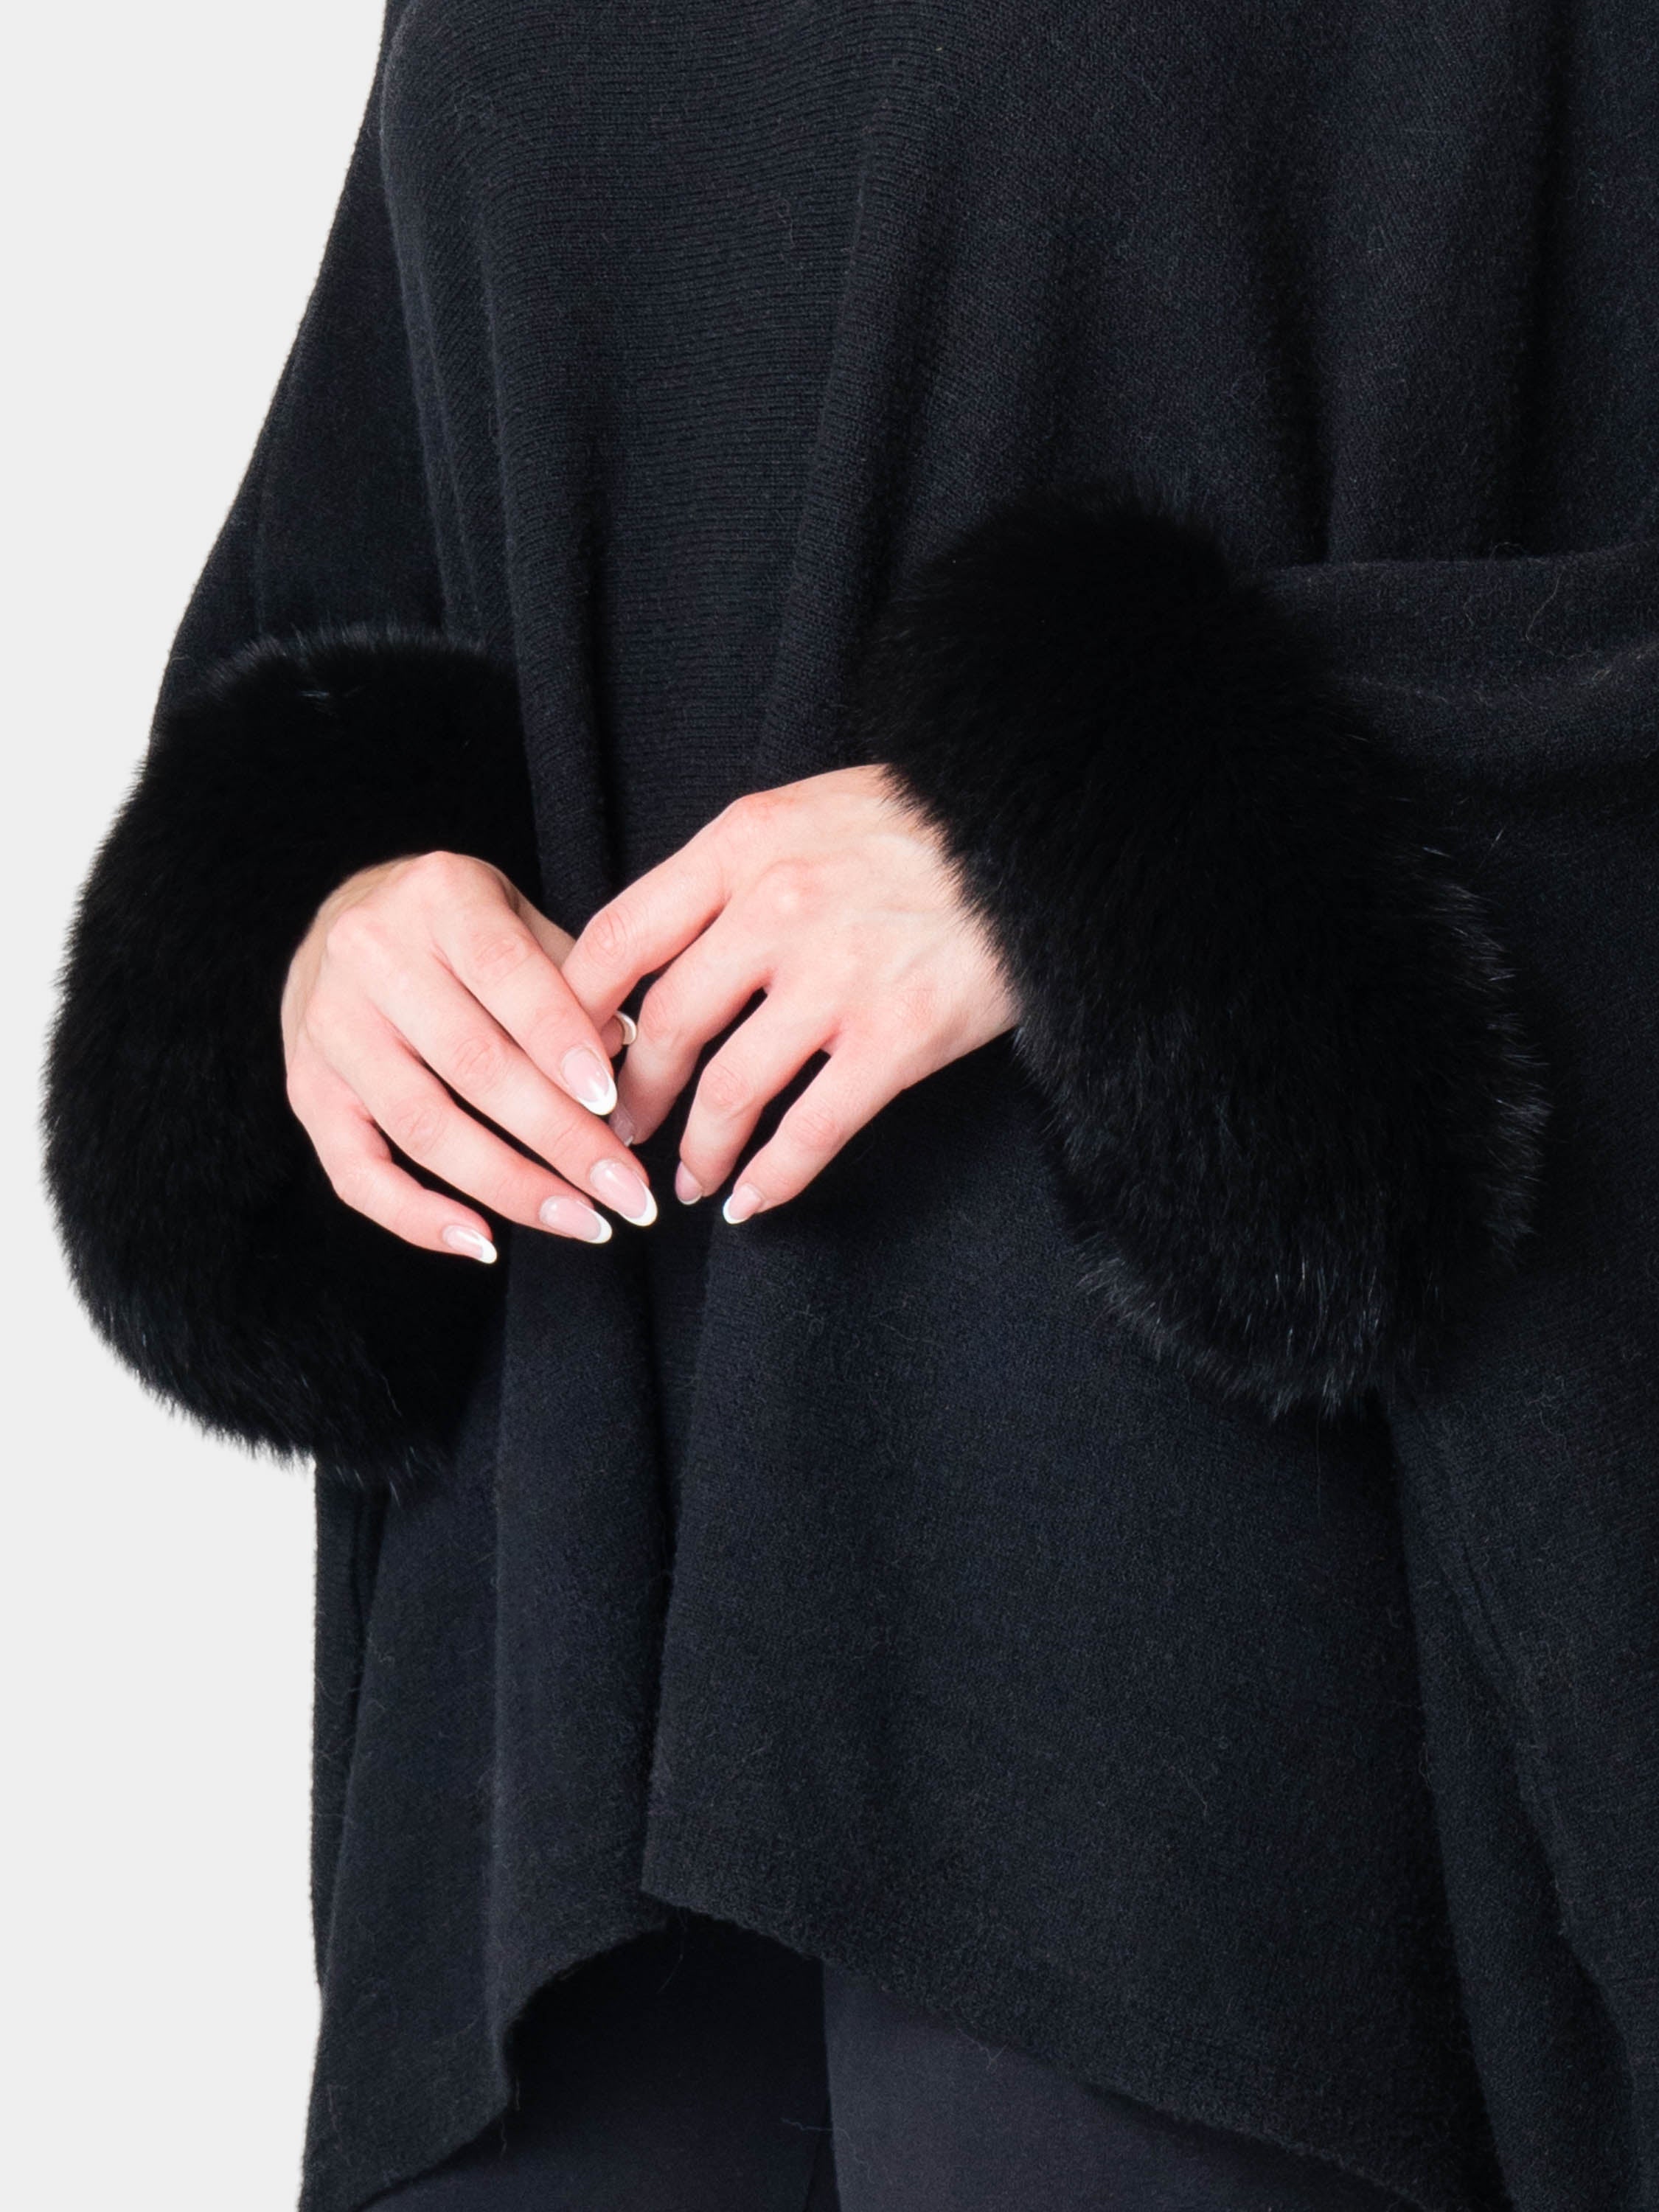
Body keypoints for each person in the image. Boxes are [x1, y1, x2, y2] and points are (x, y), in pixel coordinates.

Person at [43, 4, 1659, 2210]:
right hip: (554, 1645)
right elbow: (353, 565)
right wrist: (321, 922)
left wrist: (1091, 829)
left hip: (1183, 1663)